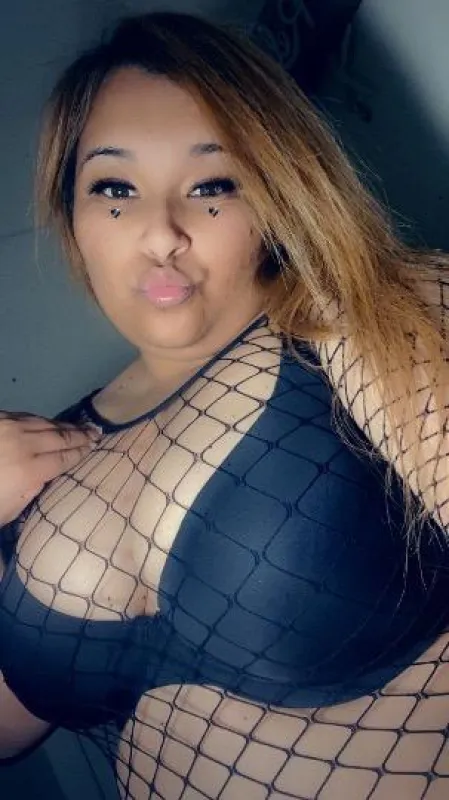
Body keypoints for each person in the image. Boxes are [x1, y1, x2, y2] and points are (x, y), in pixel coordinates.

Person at [0, 11, 448, 799]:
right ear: (71, 211)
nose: (161, 233)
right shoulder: (37, 454)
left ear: (276, 195)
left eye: (211, 185)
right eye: (114, 188)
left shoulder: (373, 317)